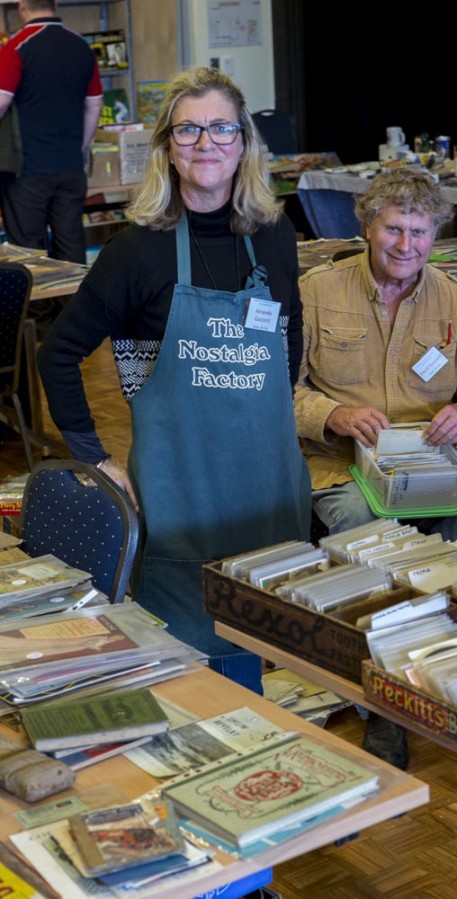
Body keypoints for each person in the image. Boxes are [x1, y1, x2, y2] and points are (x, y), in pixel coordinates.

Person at [37, 66, 312, 694]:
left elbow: (289, 332)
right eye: (188, 131)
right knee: (197, 680)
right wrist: (96, 458)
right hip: (182, 499)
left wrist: (278, 410)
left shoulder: (274, 235)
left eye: (220, 128)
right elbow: (58, 353)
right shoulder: (138, 251)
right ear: (167, 147)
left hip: (271, 489)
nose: (205, 143)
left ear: (244, 142)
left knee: (271, 652)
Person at [294, 168, 457, 766]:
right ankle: (385, 706)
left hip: (435, 467)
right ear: (368, 226)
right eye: (394, 228)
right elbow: (273, 392)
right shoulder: (316, 292)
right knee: (367, 546)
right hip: (340, 466)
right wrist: (332, 414)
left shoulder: (456, 301)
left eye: (420, 232)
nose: (406, 245)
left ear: (434, 234)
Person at [0, 0, 103, 263]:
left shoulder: (15, 47)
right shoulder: (81, 46)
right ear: (54, 4)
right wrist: (79, 147)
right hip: (71, 167)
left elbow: (1, 100)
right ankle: (72, 303)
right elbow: (94, 104)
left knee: (28, 250)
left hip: (28, 170)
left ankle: (37, 306)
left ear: (22, 5)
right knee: (71, 243)